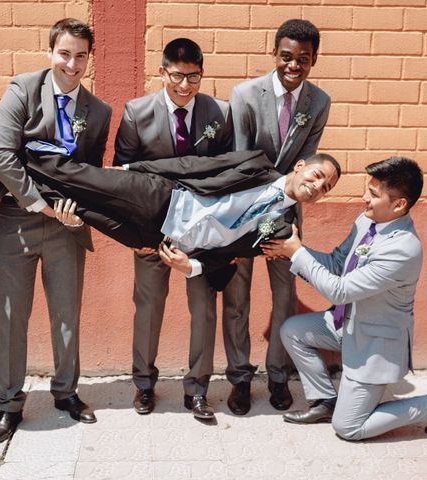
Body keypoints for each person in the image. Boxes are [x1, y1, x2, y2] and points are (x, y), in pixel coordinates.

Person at [264, 157, 427, 440]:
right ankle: (325, 401)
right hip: (347, 325)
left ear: (399, 205)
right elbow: (334, 262)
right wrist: (289, 250)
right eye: (368, 188)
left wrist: (297, 253)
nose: (364, 198)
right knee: (293, 331)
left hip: (373, 345)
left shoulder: (403, 249)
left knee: (349, 429)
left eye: (374, 194)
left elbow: (340, 291)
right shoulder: (365, 221)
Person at [0, 18, 112, 444]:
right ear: (51, 52)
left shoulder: (99, 111)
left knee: (66, 315)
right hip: (14, 221)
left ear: (88, 58)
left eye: (80, 56)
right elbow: (1, 154)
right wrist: (39, 204)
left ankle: (66, 393)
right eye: (64, 53)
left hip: (66, 228)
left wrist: (80, 213)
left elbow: (89, 173)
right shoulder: (23, 89)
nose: (71, 64)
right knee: (10, 317)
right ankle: (8, 405)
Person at [113, 38, 235, 419]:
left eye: (194, 77)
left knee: (204, 309)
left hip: (201, 233)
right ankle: (144, 385)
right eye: (177, 76)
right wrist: (136, 236)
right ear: (162, 72)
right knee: (148, 308)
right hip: (153, 231)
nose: (185, 86)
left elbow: (227, 174)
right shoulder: (136, 112)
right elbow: (123, 178)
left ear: (202, 74)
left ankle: (198, 388)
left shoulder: (221, 112)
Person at [25, 151, 340, 289]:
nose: (316, 187)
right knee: (82, 178)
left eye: (325, 188)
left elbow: (233, 255)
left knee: (77, 207)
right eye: (317, 176)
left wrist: (192, 266)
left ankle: (13, 186)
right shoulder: (257, 164)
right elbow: (195, 165)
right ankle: (13, 156)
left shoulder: (283, 229)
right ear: (300, 166)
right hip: (163, 198)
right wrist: (134, 168)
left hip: (156, 239)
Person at [227, 18, 331, 414]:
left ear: (314, 60)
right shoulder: (245, 95)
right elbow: (239, 160)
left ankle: (277, 373)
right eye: (286, 56)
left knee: (284, 295)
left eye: (303, 59)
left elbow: (305, 164)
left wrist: (284, 204)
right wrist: (264, 202)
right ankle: (238, 377)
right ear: (274, 53)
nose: (293, 65)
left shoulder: (319, 102)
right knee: (237, 298)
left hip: (285, 214)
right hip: (245, 207)